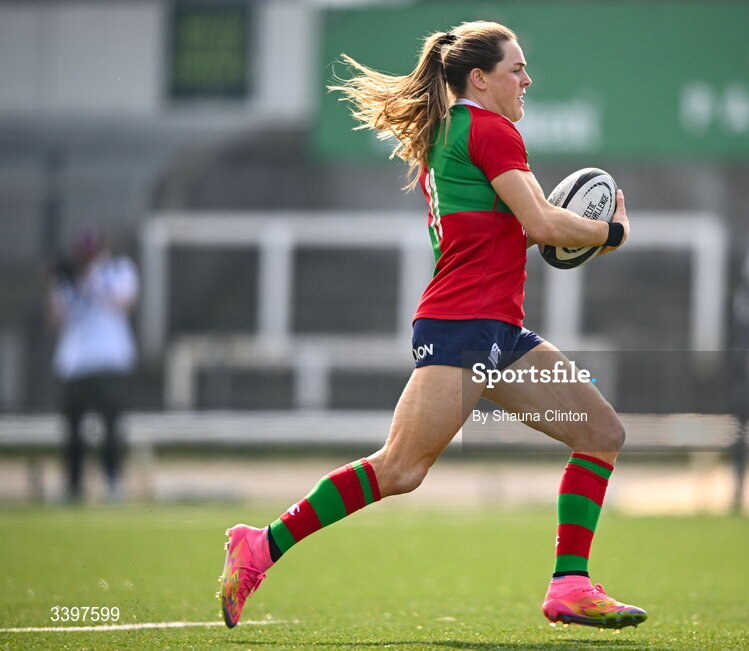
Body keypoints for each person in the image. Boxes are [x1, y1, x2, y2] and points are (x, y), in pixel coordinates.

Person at [218, 21, 645, 631]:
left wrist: (577, 237)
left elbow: (516, 234)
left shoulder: (454, 134)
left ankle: (569, 585)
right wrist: (610, 233)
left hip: (494, 330)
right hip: (466, 328)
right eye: (516, 68)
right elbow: (546, 225)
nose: (527, 79)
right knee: (400, 469)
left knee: (600, 433)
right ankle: (258, 546)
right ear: (480, 78)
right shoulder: (492, 130)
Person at [47, 223, 139, 502]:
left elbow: (124, 301)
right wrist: (59, 283)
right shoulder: (67, 280)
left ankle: (113, 483)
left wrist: (92, 279)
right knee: (73, 430)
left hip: (110, 360)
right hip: (76, 363)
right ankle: (72, 487)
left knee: (111, 428)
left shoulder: (117, 270)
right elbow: (56, 319)